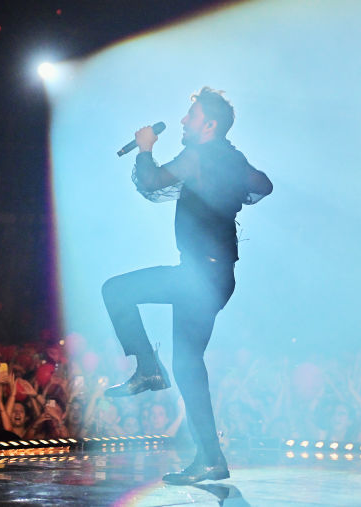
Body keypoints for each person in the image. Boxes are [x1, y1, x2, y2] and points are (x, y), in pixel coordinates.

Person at [102, 87, 272, 485]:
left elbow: (153, 180)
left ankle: (147, 369)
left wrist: (145, 148)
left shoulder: (197, 156)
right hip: (217, 276)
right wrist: (225, 183)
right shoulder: (229, 158)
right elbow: (262, 186)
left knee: (115, 290)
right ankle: (212, 459)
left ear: (208, 125)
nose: (182, 120)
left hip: (199, 276)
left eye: (190, 115)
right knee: (189, 366)